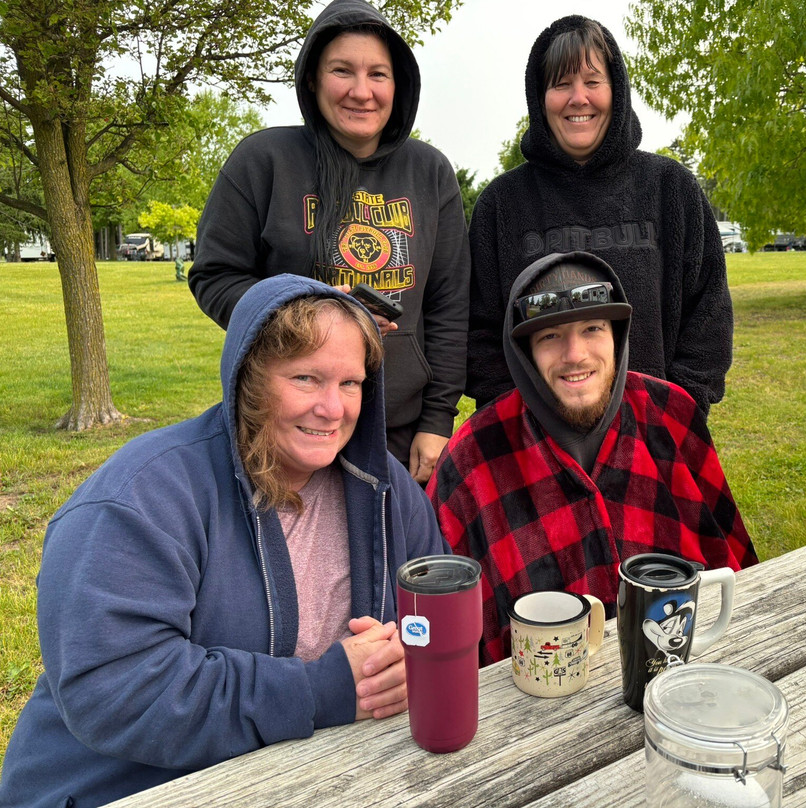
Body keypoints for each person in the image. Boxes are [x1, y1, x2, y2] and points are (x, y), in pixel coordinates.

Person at [0, 275, 448, 806]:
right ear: (250, 380)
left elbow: (437, 604)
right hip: (125, 789)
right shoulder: (141, 499)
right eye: (306, 378)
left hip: (318, 777)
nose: (333, 408)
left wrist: (410, 657)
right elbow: (115, 692)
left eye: (350, 383)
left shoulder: (383, 487)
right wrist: (320, 690)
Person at [188, 0, 469, 485]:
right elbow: (214, 276)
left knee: (398, 558)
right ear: (313, 79)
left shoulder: (430, 171)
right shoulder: (264, 161)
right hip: (289, 425)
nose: (362, 91)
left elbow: (449, 305)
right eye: (343, 70)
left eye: (378, 74)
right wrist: (301, 311)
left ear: (397, 85)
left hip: (399, 429)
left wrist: (437, 418)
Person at [428, 252, 757, 665]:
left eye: (593, 328)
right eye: (550, 335)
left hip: (685, 675)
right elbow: (439, 630)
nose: (575, 354)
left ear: (617, 335)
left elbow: (740, 572)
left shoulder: (672, 414)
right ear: (523, 350)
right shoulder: (474, 459)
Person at [466, 15, 733, 415]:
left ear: (617, 90)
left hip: (656, 436)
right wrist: (520, 424)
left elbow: (708, 316)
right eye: (561, 84)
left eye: (593, 81)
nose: (578, 98)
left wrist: (679, 410)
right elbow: (479, 332)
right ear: (540, 98)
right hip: (536, 445)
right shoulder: (501, 205)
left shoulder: (671, 188)